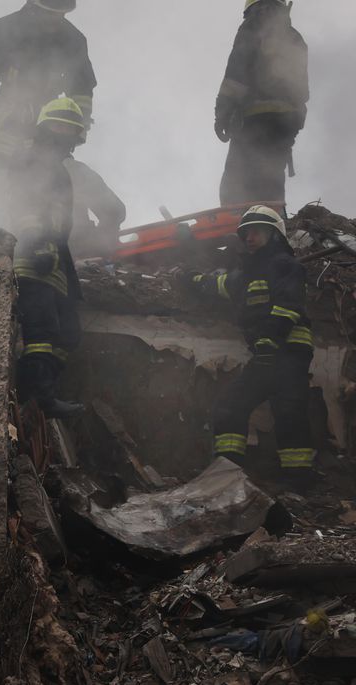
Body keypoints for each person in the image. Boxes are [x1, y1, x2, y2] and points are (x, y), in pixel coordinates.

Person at [185, 205, 315, 481]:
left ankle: (299, 482)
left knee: (290, 412)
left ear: (274, 234)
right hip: (265, 355)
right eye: (245, 233)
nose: (249, 237)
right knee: (230, 407)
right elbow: (219, 284)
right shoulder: (245, 275)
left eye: (257, 230)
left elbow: (288, 305)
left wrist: (270, 339)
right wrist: (192, 280)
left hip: (290, 353)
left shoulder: (286, 265)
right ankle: (227, 474)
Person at [0, 0, 95, 224]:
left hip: (52, 121)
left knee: (55, 180)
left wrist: (80, 124)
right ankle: (6, 237)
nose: (56, 20)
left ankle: (64, 235)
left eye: (61, 14)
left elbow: (82, 86)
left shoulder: (73, 39)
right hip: (8, 117)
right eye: (50, 14)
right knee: (8, 187)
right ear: (34, 7)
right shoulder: (5, 28)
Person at [13, 98, 85, 419]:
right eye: (59, 125)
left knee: (66, 332)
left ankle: (45, 391)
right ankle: (38, 397)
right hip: (33, 261)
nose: (65, 133)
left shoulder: (58, 169)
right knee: (40, 333)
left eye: (70, 129)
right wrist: (38, 243)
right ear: (44, 129)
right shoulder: (32, 161)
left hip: (54, 263)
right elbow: (25, 206)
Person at [216, 0, 309, 207]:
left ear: (252, 8)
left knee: (236, 184)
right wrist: (291, 126)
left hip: (254, 120)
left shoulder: (252, 26)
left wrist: (222, 111)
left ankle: (239, 230)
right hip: (284, 123)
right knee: (271, 181)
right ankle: (271, 226)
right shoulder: (295, 37)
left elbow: (236, 73)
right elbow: (302, 92)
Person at [65, 158, 126, 258]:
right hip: (77, 253)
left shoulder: (74, 170)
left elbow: (114, 211)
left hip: (76, 254)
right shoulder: (74, 170)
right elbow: (115, 211)